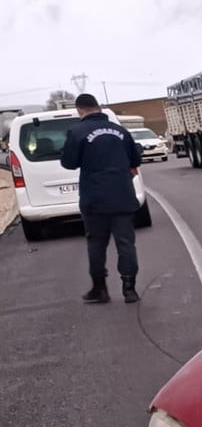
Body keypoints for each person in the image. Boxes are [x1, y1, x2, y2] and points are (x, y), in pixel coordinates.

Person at [59, 93, 143, 304]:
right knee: (126, 244)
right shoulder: (121, 131)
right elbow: (136, 159)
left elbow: (68, 162)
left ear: (80, 110)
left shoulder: (77, 132)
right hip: (123, 196)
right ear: (99, 107)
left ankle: (100, 289)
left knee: (96, 243)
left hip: (94, 199)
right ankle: (129, 289)